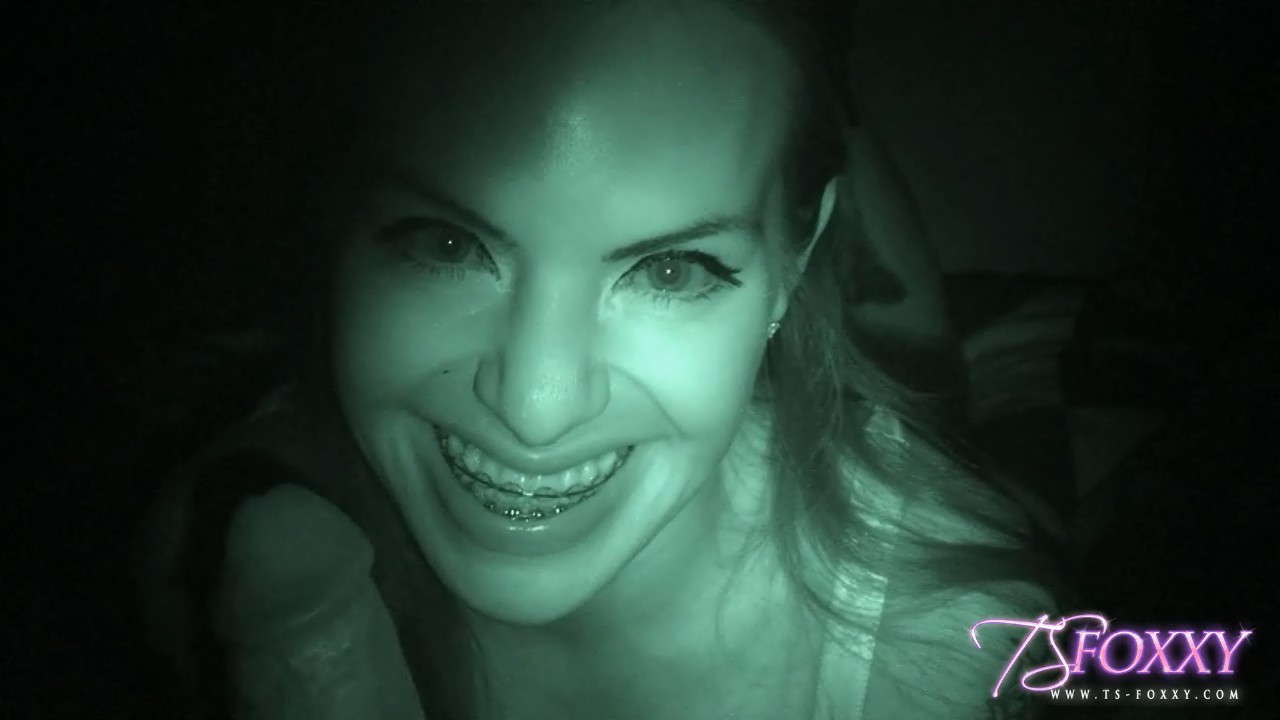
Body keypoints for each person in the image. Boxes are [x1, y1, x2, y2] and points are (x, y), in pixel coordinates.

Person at [136, 2, 1068, 718]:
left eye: (670, 269)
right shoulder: (210, 542)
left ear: (793, 266)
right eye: (445, 244)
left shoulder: (968, 655)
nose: (536, 409)